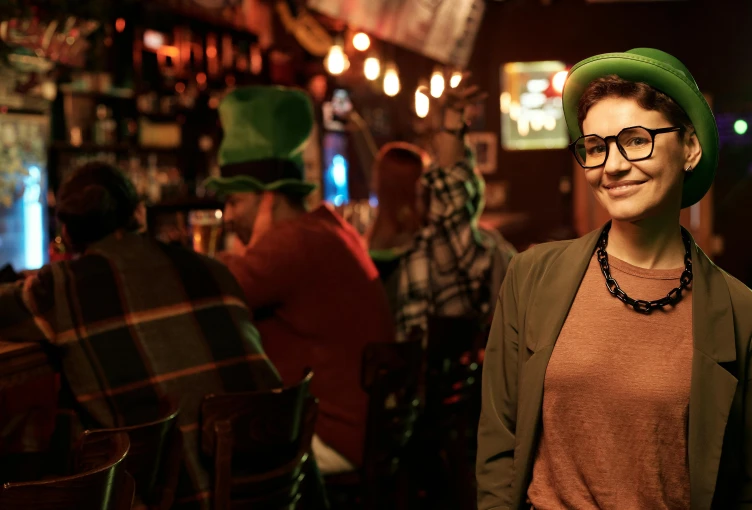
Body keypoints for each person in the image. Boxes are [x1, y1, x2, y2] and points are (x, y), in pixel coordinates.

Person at [477, 49, 752, 510]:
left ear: (691, 148)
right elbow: (498, 447)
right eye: (596, 147)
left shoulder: (741, 313)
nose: (612, 166)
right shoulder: (531, 277)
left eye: (636, 140)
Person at [0, 162, 282, 509]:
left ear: (68, 233)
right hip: (277, 483)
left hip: (179, 497)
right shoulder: (214, 270)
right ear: (138, 213)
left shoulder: (62, 287)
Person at [204, 85, 395, 474]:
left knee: (206, 456)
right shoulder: (327, 229)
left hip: (332, 439)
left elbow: (210, 291)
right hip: (368, 433)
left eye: (236, 202)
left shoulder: (291, 244)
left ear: (268, 199)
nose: (228, 215)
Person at [350, 79, 515, 343]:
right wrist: (451, 123)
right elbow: (452, 188)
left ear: (378, 186)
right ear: (421, 187)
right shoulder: (435, 245)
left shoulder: (359, 250)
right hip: (435, 378)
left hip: (392, 379)